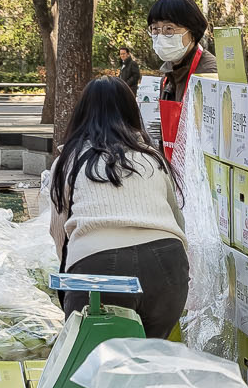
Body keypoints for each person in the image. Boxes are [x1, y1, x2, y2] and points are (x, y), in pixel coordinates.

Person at [46, 74, 188, 338]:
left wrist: (73, 277)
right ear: (132, 112)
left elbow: (59, 235)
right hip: (168, 265)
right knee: (148, 360)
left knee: (95, 367)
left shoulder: (69, 161)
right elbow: (178, 222)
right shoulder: (152, 157)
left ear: (82, 113)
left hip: (99, 269)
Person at [146, 0, 213, 165]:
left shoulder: (209, 73)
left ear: (191, 31)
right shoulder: (168, 75)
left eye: (169, 29)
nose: (160, 36)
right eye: (155, 29)